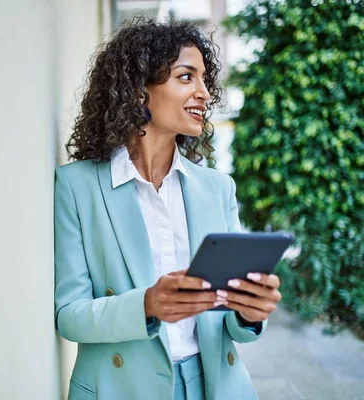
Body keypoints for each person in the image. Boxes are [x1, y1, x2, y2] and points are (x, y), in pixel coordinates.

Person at [54, 18, 282, 400]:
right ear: (138, 90)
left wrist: (250, 312)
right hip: (122, 388)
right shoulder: (77, 187)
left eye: (204, 79)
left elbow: (231, 321)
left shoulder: (217, 188)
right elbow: (69, 316)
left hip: (213, 386)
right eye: (185, 77)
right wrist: (147, 304)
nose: (204, 93)